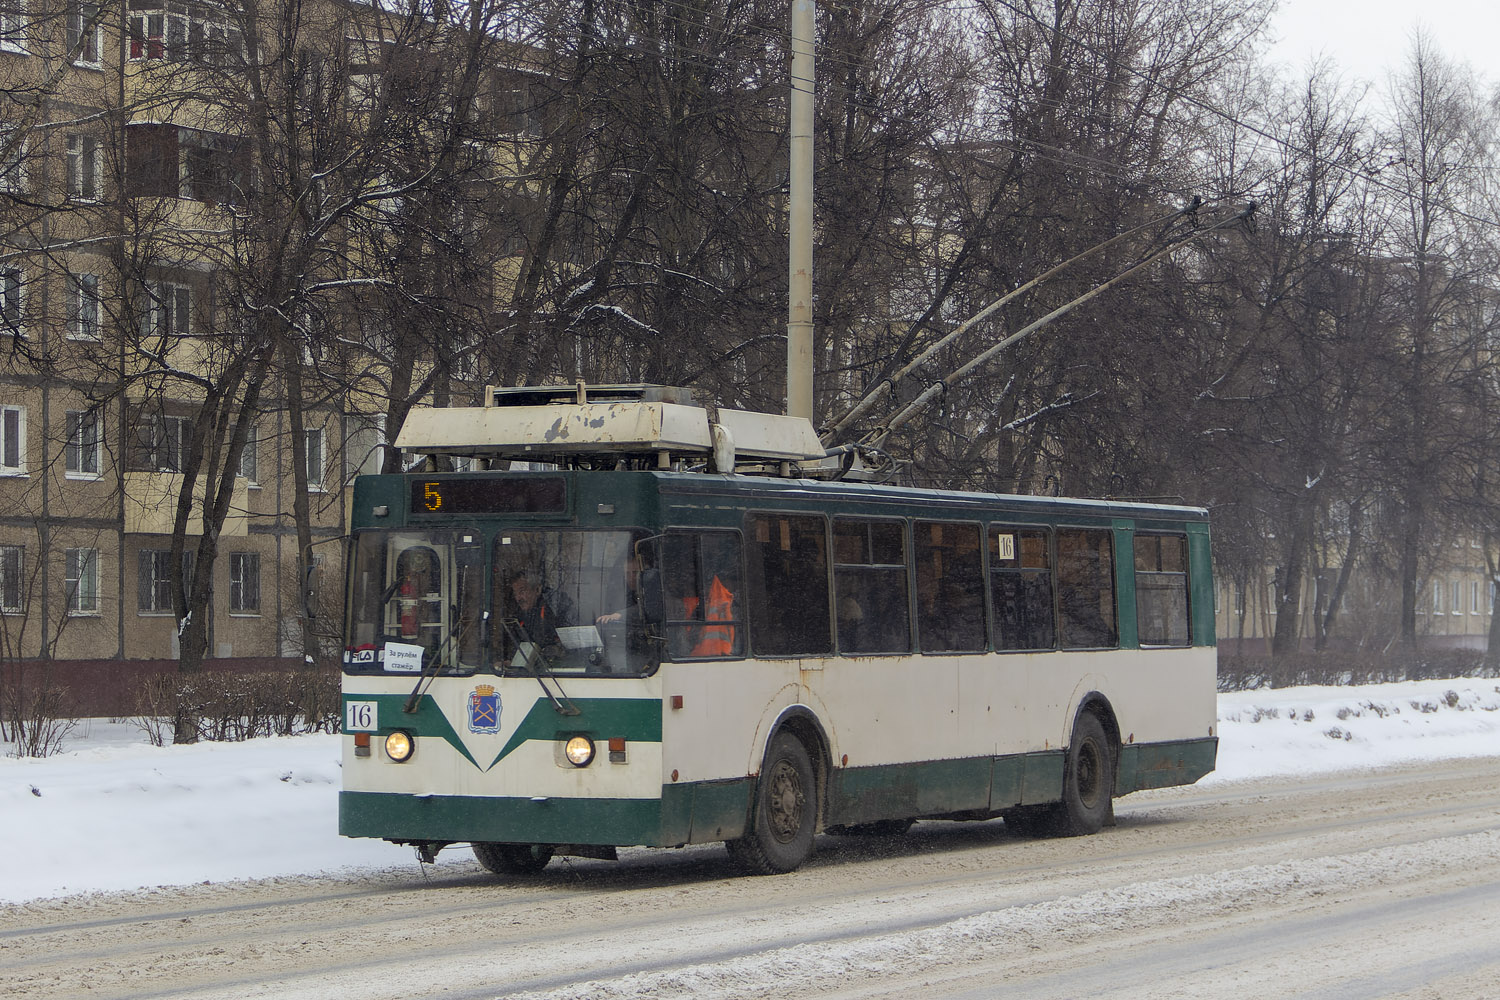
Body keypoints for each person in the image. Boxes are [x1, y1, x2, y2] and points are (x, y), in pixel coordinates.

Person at [508, 570, 574, 649]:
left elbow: (565, 642)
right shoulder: (518, 617)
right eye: (515, 593)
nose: (518, 598)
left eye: (522, 591)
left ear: (537, 590)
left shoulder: (554, 609)